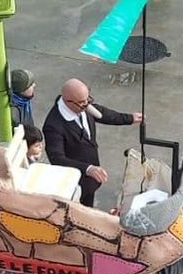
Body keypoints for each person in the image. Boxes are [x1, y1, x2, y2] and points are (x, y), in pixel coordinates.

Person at [44, 77, 142, 208]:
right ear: (68, 101)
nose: (87, 105)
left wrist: (129, 118)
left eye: (87, 99)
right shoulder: (53, 125)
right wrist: (87, 169)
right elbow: (57, 158)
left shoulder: (82, 106)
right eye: (82, 102)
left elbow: (102, 113)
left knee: (89, 202)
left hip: (92, 174)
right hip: (77, 180)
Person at [0, 68, 37, 144]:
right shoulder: (11, 114)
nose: (34, 85)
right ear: (22, 90)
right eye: (31, 85)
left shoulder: (21, 100)